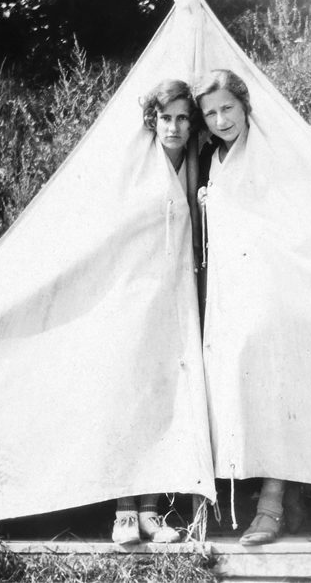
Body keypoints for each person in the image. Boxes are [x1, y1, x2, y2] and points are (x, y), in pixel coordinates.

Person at [194, 69, 306, 545]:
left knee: (271, 383)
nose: (221, 120)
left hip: (270, 287)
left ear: (245, 107)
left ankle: (272, 504)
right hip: (225, 291)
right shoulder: (208, 156)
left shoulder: (270, 152)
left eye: (228, 109)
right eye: (211, 113)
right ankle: (232, 502)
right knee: (229, 386)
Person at [110, 78, 203, 545]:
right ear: (153, 121)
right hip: (134, 288)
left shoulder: (191, 160)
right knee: (132, 389)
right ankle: (124, 510)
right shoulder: (139, 159)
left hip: (174, 291)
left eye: (183, 118)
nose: (174, 126)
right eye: (166, 118)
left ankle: (151, 512)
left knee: (166, 391)